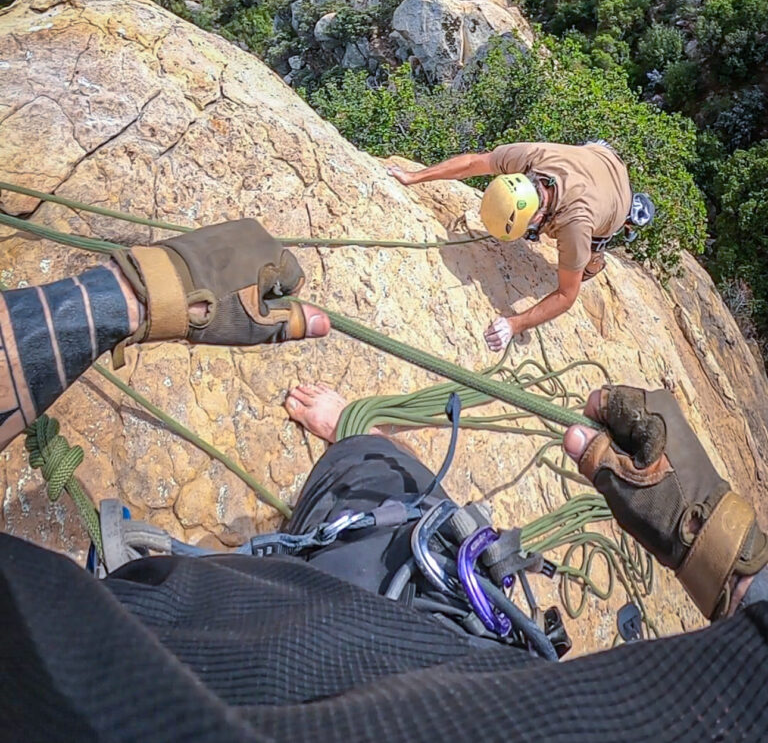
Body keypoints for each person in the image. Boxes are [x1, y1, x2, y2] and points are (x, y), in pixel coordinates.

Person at [0, 218, 766, 743]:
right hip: (467, 663)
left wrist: (123, 298)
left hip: (224, 637)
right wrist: (721, 555)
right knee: (379, 477)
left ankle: (354, 450)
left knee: (371, 469)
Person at [387, 141, 655, 352]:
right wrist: (414, 177)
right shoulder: (530, 156)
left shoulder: (575, 225)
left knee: (587, 261)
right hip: (597, 154)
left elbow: (566, 295)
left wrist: (514, 324)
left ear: (538, 217)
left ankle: (598, 253)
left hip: (616, 194)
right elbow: (471, 163)